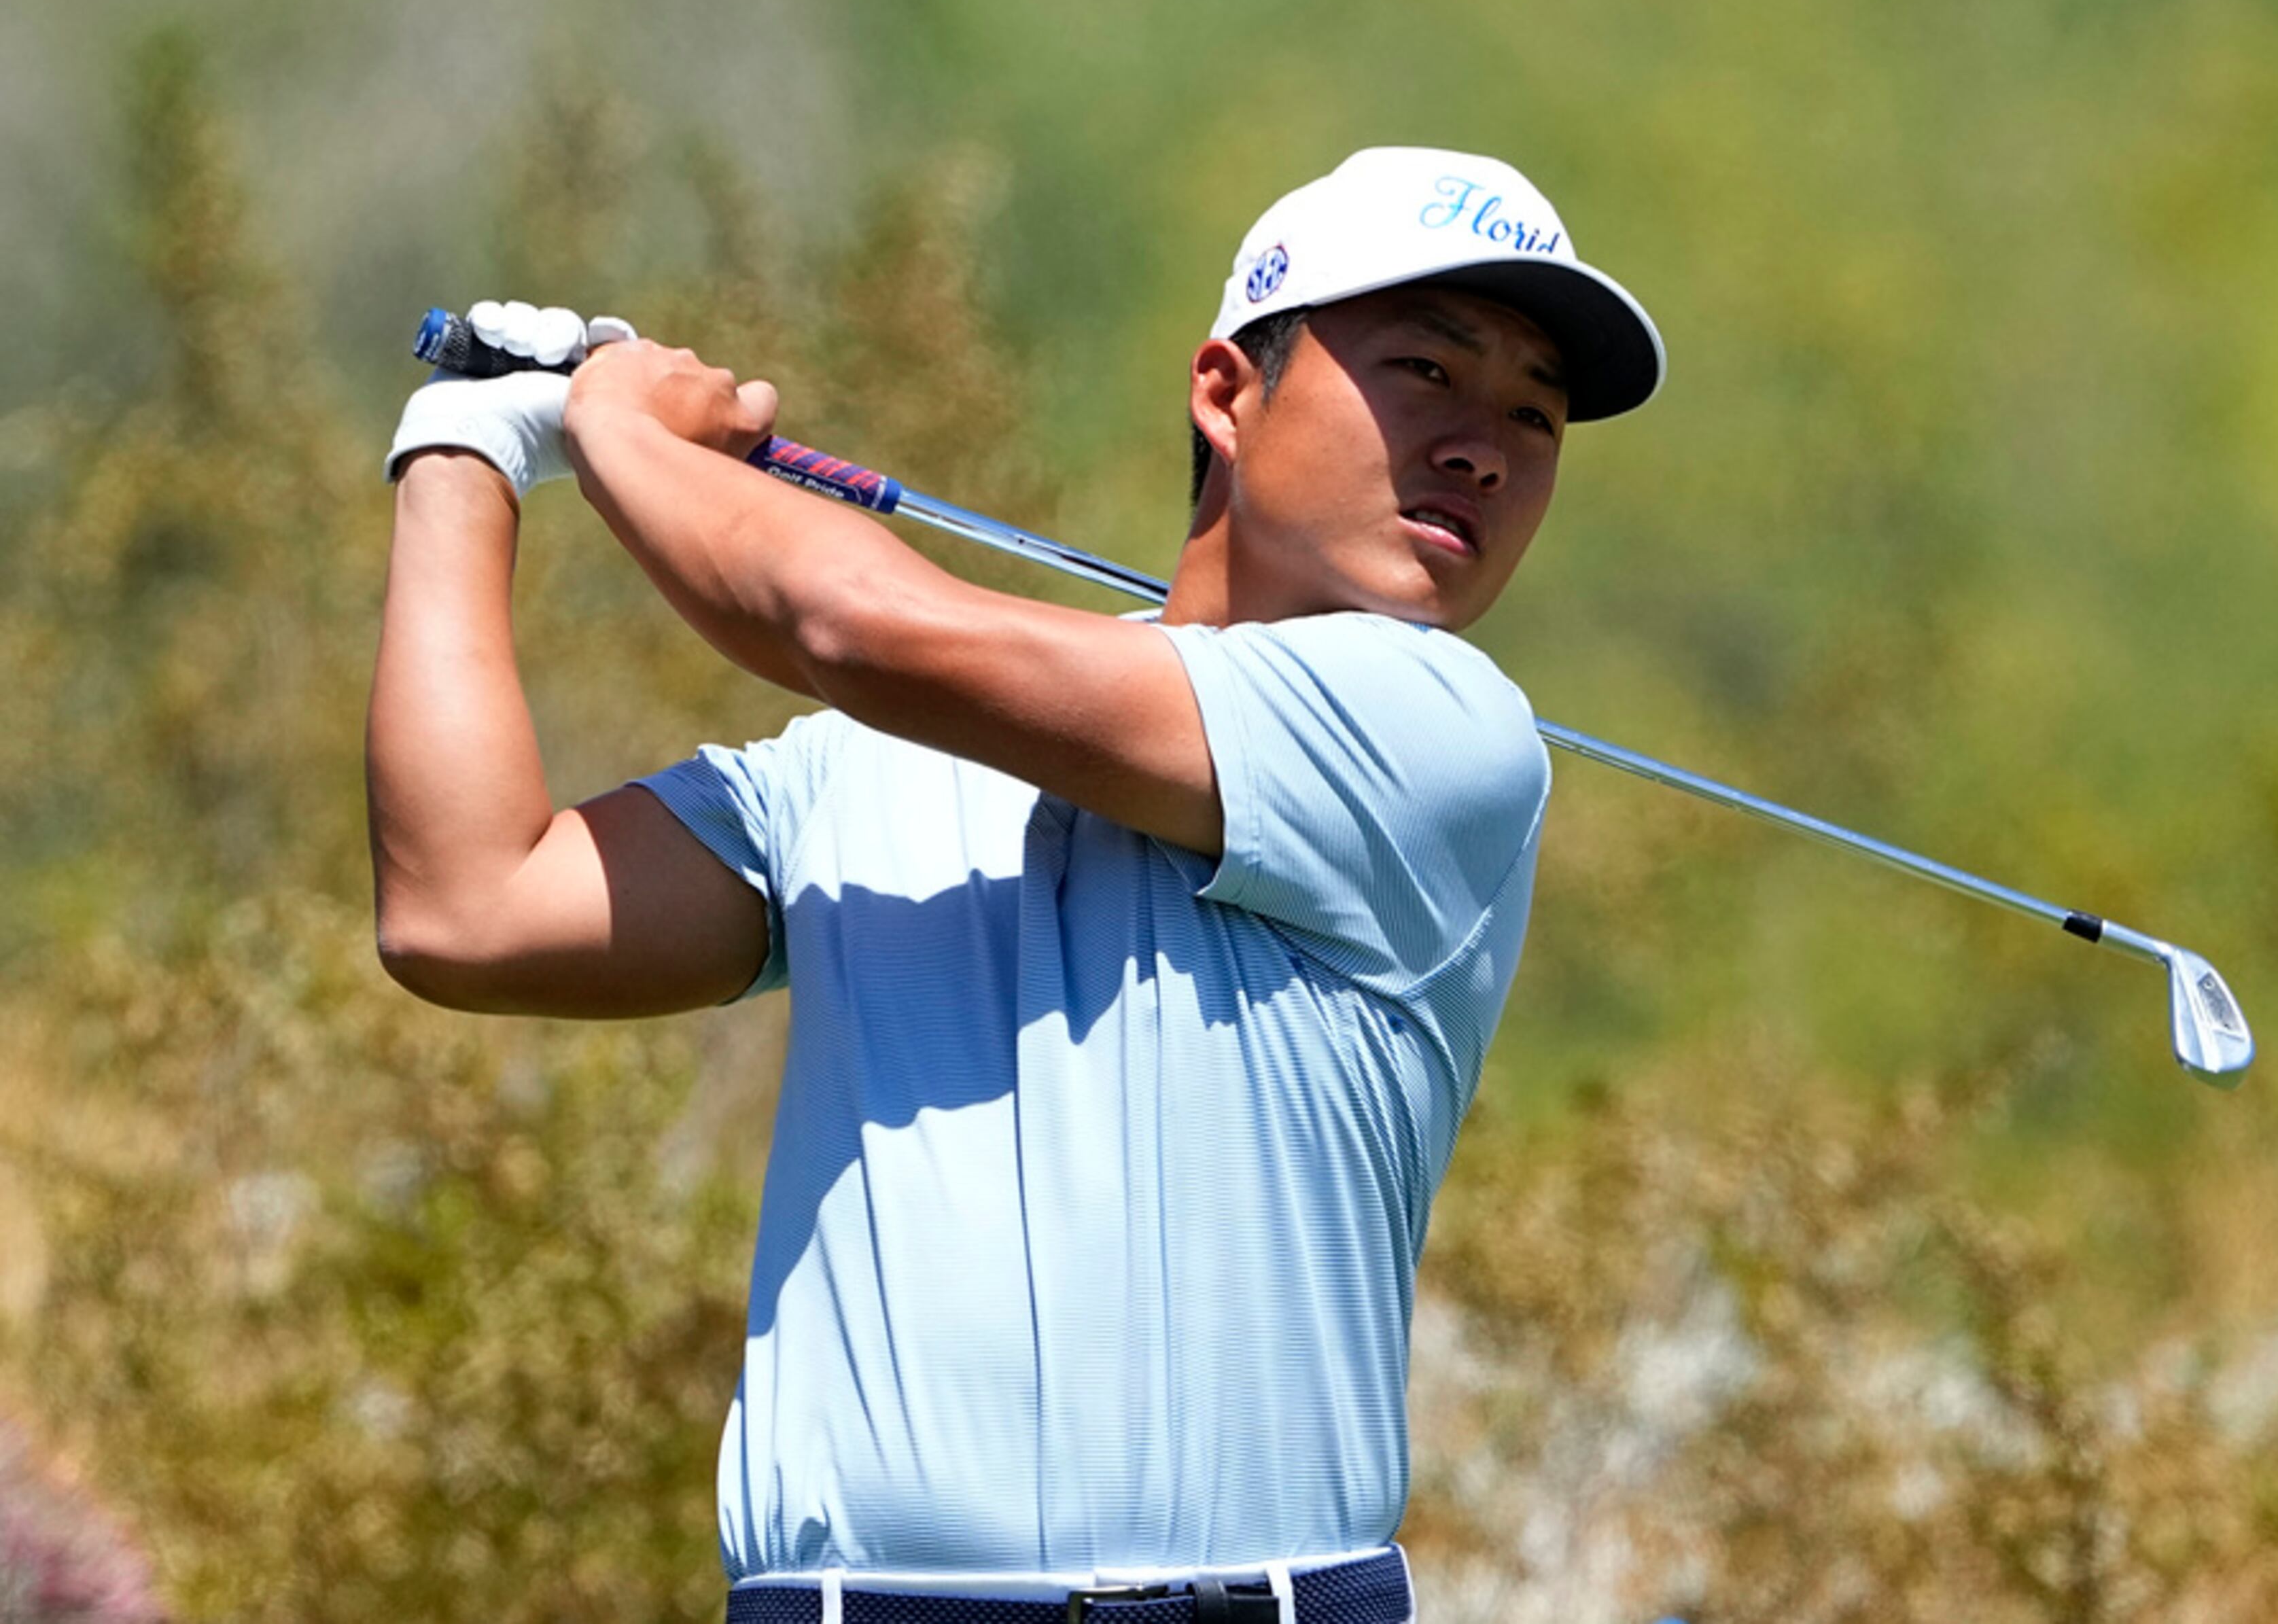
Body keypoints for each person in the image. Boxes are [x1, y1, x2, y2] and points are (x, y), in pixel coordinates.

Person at [367, 147, 1664, 1624]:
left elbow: (859, 627)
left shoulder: (1442, 731)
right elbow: (465, 906)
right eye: (1427, 370)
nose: (1483, 446)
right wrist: (464, 454)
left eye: (1534, 415)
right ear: (1227, 392)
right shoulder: (858, 764)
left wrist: (617, 428)